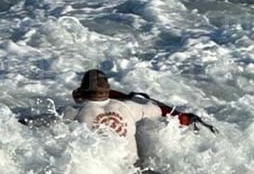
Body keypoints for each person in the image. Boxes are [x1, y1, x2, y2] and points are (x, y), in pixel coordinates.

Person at [61, 69, 215, 162]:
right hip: (131, 173)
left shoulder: (70, 112)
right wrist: (187, 118)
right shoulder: (129, 107)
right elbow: (164, 111)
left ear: (82, 91)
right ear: (108, 89)